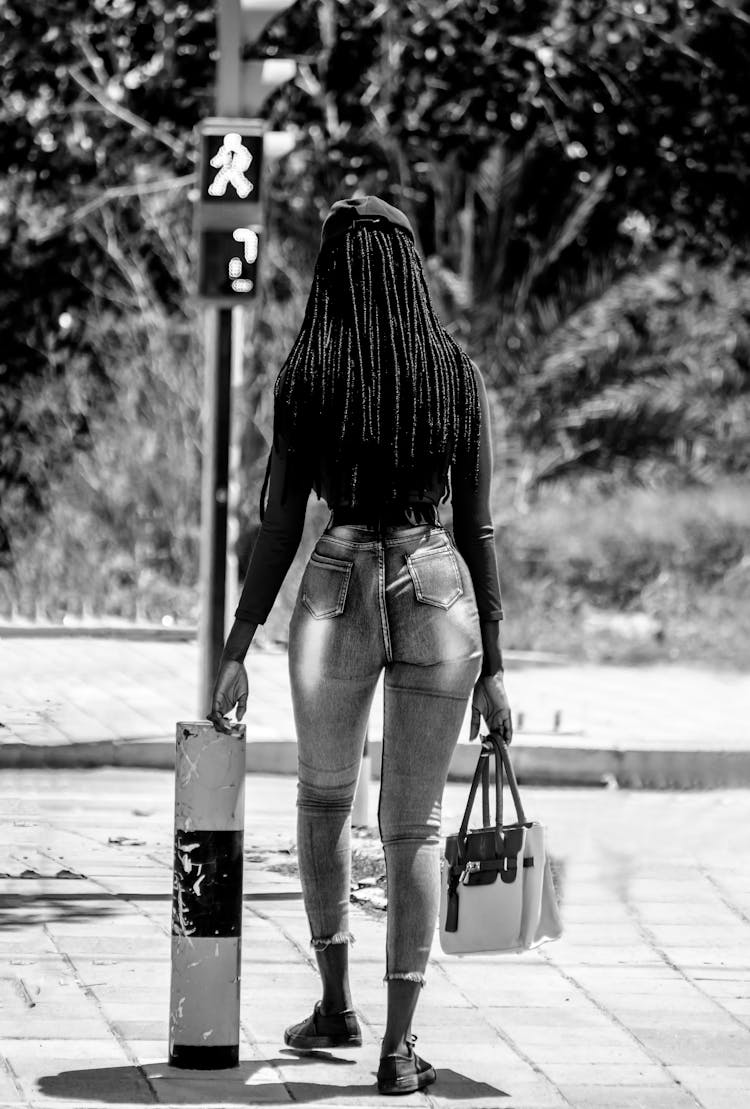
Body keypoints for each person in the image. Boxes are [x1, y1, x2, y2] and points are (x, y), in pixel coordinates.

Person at [208, 195, 512, 1096]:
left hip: (336, 586)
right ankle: (397, 1048)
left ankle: (336, 1001)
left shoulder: (308, 379)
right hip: (435, 584)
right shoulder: (455, 374)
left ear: (333, 274)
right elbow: (481, 528)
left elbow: (276, 525)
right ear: (411, 271)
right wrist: (494, 663)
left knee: (324, 800)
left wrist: (236, 645)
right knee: (412, 823)